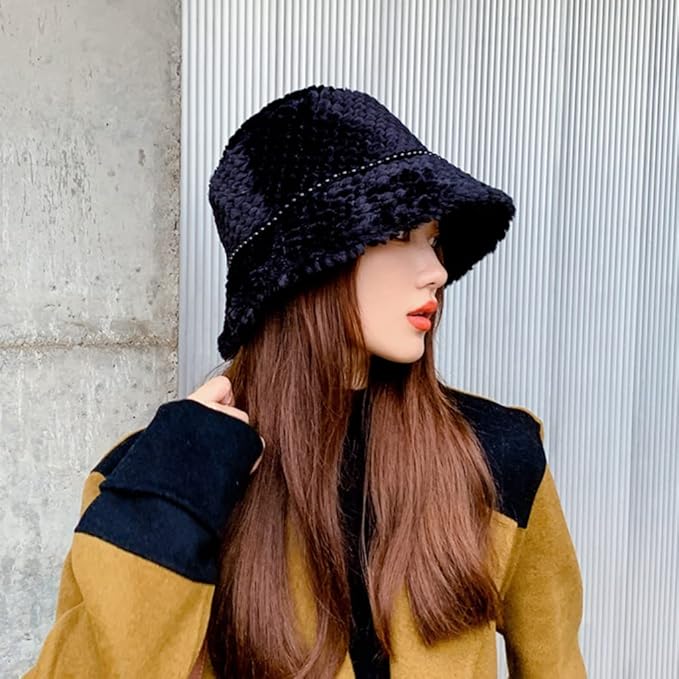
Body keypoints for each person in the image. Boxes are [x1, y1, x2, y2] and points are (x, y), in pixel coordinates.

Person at [24, 85, 586, 678]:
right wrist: (175, 489)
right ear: (305, 269)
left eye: (434, 240)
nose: (436, 271)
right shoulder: (154, 477)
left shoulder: (497, 457)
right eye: (399, 234)